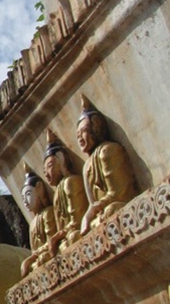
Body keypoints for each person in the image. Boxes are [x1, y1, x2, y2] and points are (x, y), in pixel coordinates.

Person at [77, 99, 138, 233]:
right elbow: (92, 203)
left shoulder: (108, 150)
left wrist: (99, 206)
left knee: (111, 212)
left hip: (116, 205)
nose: (80, 138)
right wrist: (88, 216)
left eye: (84, 131)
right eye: (77, 135)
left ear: (97, 128)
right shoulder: (86, 166)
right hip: (101, 213)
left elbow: (119, 193)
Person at [42, 136, 87, 255]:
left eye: (50, 166)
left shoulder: (71, 182)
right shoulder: (57, 192)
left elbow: (77, 220)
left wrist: (57, 237)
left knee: (73, 238)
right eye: (44, 170)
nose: (46, 174)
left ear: (61, 161)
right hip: (66, 237)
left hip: (75, 232)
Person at [20, 169, 56, 277]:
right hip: (40, 257)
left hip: (48, 253)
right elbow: (34, 250)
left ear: (39, 189)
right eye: (22, 198)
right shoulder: (32, 224)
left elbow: (51, 240)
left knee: (44, 259)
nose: (25, 201)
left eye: (28, 194)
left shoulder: (48, 212)